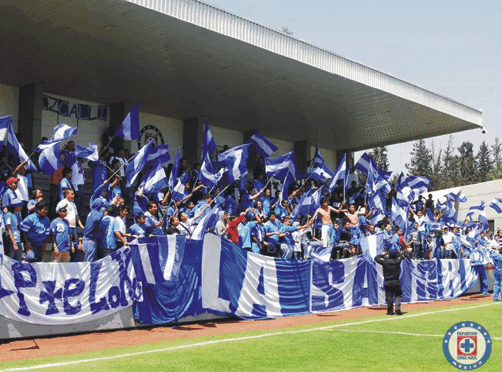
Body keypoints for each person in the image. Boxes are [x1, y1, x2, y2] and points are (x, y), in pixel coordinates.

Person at [374, 247, 407, 315]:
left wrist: (383, 254)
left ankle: (390, 311)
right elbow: (404, 255)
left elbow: (376, 258)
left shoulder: (385, 261)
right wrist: (398, 254)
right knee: (398, 295)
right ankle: (397, 308)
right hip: (396, 281)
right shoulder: (397, 261)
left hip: (387, 281)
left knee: (389, 297)